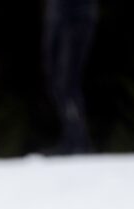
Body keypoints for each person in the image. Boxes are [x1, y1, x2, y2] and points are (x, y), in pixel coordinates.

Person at [41, 0, 98, 155]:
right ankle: (71, 137)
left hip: (76, 16)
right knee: (55, 80)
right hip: (56, 16)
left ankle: (77, 140)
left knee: (67, 81)